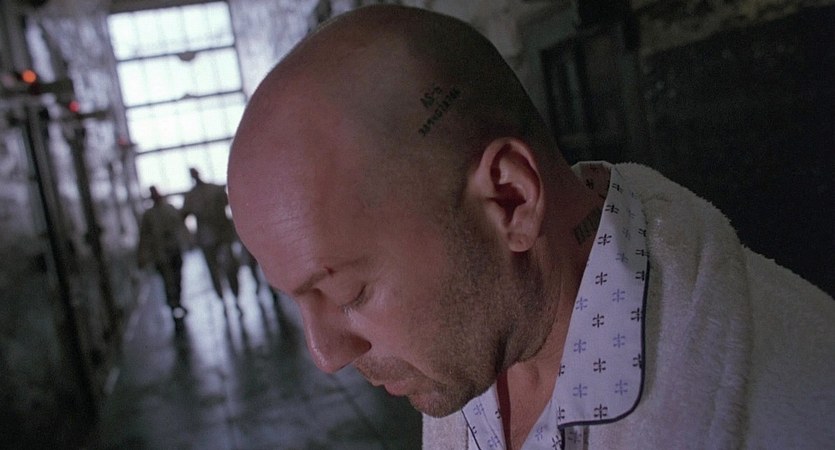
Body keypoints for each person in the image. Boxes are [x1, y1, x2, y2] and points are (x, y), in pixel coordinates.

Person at [226, 5, 835, 449]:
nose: (326, 355)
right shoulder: (472, 350)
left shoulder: (802, 402)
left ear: (511, 199)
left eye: (349, 293)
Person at [181, 167, 241, 305]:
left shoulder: (214, 190)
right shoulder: (192, 196)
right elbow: (184, 214)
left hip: (222, 235)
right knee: (214, 270)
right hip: (206, 238)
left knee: (230, 267)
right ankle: (222, 297)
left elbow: (230, 203)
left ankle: (235, 294)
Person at [137, 185, 190, 322]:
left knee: (177, 279)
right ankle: (173, 306)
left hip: (174, 250)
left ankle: (177, 302)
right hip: (160, 255)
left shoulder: (169, 209)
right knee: (168, 282)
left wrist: (185, 240)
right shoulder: (149, 216)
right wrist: (143, 255)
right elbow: (144, 237)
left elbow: (180, 224)